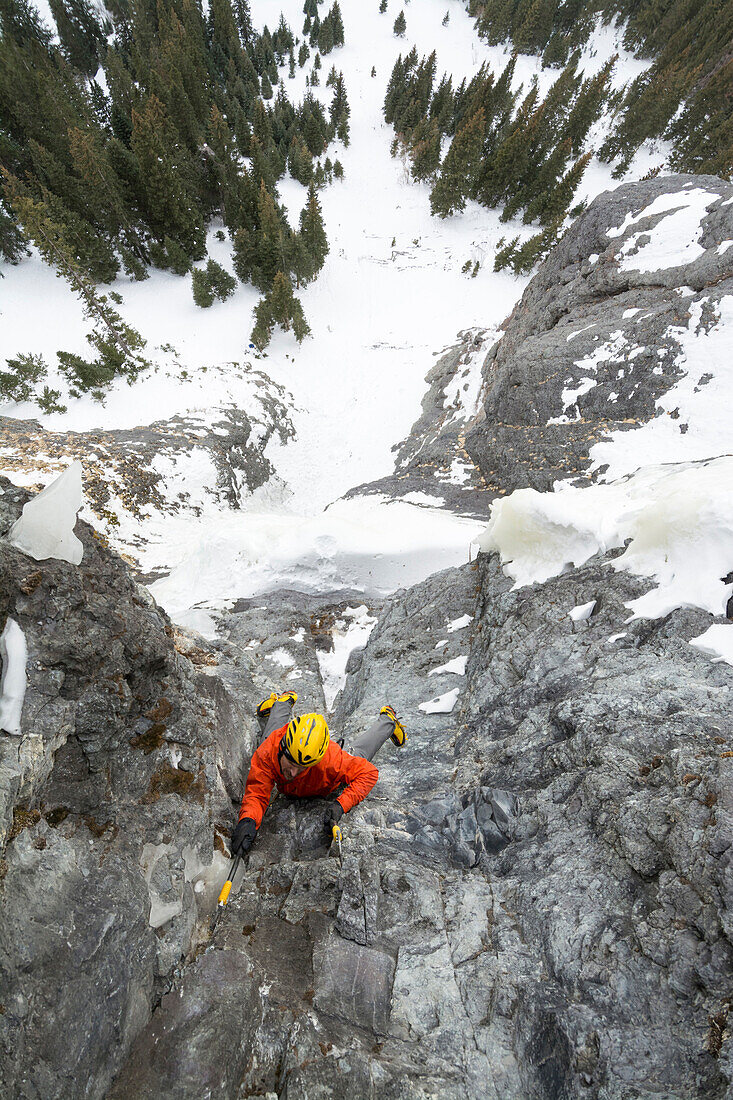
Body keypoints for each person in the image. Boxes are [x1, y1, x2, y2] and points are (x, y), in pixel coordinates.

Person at [230, 691, 405, 857]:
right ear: (283, 748)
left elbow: (369, 773)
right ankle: (283, 702)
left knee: (359, 754)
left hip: (328, 774)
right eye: (291, 763)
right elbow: (257, 793)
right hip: (277, 752)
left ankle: (388, 719)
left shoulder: (332, 761)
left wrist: (340, 804)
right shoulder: (269, 752)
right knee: (267, 739)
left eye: (302, 768)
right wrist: (248, 821)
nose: (293, 773)